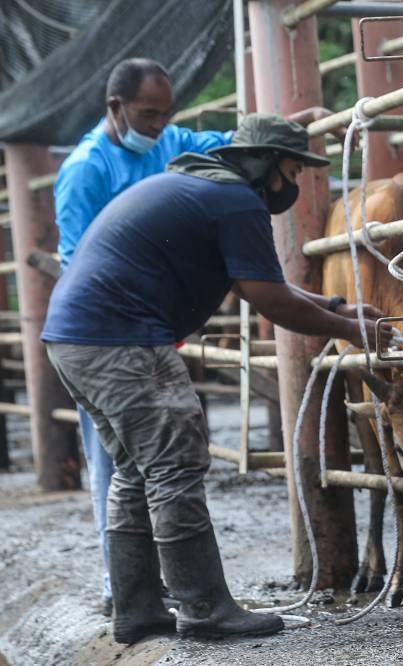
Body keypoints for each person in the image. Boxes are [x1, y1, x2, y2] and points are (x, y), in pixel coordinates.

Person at [42, 113, 390, 644]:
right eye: (293, 170)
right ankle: (204, 608)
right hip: (122, 340)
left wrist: (342, 310)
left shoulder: (200, 188)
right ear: (266, 164)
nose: (294, 184)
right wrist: (355, 330)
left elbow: (269, 288)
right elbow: (272, 302)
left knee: (136, 470)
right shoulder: (237, 202)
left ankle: (137, 610)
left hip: (74, 338)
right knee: (174, 464)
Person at [54, 57, 233, 617]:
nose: (157, 124)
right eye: (147, 113)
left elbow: (225, 139)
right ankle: (125, 589)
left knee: (142, 463)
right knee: (118, 460)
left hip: (153, 324)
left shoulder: (170, 139)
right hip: (106, 329)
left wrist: (286, 125)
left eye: (163, 113)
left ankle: (144, 601)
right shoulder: (86, 169)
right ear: (116, 108)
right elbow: (77, 260)